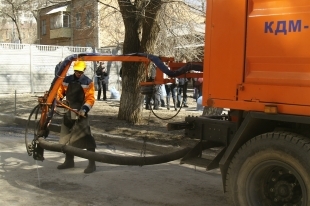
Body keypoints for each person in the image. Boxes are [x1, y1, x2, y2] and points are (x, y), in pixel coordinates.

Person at [56, 60, 97, 174]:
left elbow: (90, 99)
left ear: (84, 70)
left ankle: (92, 164)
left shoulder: (88, 82)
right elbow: (60, 92)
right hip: (68, 112)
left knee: (87, 139)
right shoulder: (67, 80)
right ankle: (69, 161)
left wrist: (84, 109)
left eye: (80, 71)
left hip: (81, 113)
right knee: (67, 138)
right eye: (76, 71)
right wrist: (58, 98)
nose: (78, 73)